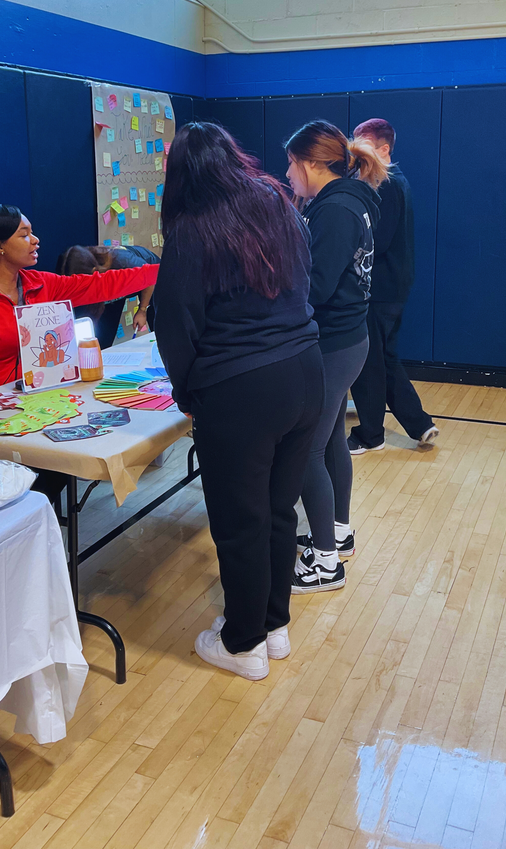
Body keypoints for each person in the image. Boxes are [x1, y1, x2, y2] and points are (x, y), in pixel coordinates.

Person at [153, 122, 324, 682]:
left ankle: (242, 642)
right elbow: (303, 283)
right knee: (278, 509)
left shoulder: (189, 228)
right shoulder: (276, 200)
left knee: (238, 520)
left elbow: (176, 325)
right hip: (305, 371)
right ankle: (274, 627)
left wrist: (188, 392)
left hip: (241, 388)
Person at [0, 205, 159, 401]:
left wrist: (164, 269)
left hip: (17, 402)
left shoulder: (42, 284)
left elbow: (102, 285)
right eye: (24, 235)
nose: (35, 240)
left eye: (32, 233)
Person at [284, 120, 386, 592]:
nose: (287, 174)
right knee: (330, 443)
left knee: (305, 449)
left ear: (309, 163)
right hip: (347, 339)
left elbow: (317, 287)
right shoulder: (348, 199)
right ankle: (337, 533)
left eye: (290, 164)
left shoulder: (335, 210)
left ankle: (325, 563)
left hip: (334, 343)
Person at [346, 118, 438, 454]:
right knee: (385, 357)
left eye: (364, 147)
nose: (356, 154)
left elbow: (378, 241)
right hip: (393, 286)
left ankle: (370, 435)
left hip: (380, 289)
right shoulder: (391, 181)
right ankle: (419, 423)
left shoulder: (385, 184)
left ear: (383, 149)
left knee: (367, 362)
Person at [56, 244, 160, 347]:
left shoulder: (124, 262)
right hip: (114, 289)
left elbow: (151, 279)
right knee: (103, 335)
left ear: (93, 272)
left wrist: (142, 310)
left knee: (159, 327)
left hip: (154, 282)